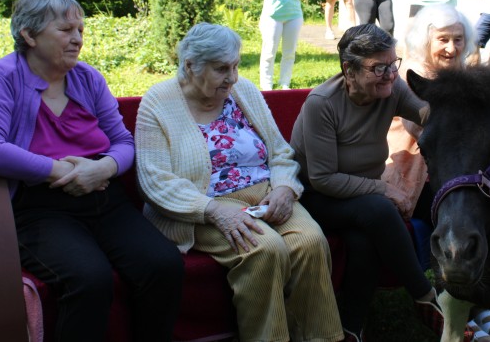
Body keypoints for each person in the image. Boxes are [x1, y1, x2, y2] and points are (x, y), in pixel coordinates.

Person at [0, 0, 183, 342]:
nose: (77, 39)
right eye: (65, 30)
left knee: (163, 265)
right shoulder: (1, 77)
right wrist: (57, 170)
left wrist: (105, 168)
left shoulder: (88, 78)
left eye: (80, 30)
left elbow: (123, 142)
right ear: (29, 35)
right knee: (88, 279)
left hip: (102, 195)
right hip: (39, 208)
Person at [135, 23, 342, 342]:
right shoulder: (159, 102)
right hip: (204, 204)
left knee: (310, 242)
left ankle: (320, 338)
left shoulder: (242, 90)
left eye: (234, 66)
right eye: (221, 69)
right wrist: (214, 210)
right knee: (265, 249)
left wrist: (285, 188)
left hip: (265, 193)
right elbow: (155, 181)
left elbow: (279, 150)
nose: (232, 77)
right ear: (190, 66)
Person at [289, 23, 442, 342]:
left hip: (360, 200)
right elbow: (323, 178)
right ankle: (425, 295)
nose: (390, 74)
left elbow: (424, 112)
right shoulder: (323, 104)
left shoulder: (391, 87)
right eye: (379, 67)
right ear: (350, 69)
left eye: (393, 64)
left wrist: (446, 111)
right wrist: (383, 188)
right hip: (317, 198)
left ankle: (351, 329)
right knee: (379, 210)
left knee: (363, 242)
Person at [383, 4, 490, 342]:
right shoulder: (411, 75)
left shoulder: (465, 75)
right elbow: (420, 124)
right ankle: (449, 303)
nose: (451, 48)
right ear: (426, 41)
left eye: (458, 39)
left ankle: (479, 300)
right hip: (408, 170)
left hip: (454, 168)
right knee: (451, 207)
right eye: (443, 40)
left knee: (487, 202)